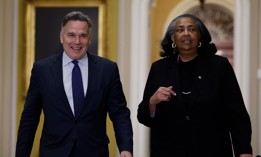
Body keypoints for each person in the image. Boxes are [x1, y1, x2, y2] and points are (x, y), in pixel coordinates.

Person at [16, 11, 133, 157]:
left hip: (94, 152)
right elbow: (30, 117)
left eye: (83, 36)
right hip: (54, 152)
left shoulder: (107, 69)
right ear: (61, 37)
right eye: (71, 35)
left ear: (89, 39)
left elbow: (119, 113)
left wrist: (126, 148)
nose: (77, 41)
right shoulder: (42, 69)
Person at [137, 14, 252, 157]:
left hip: (213, 150)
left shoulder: (219, 67)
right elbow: (142, 116)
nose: (186, 33)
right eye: (180, 30)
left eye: (192, 29)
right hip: (169, 151)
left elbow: (237, 113)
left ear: (200, 37)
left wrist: (244, 151)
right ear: (172, 38)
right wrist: (153, 101)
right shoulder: (159, 68)